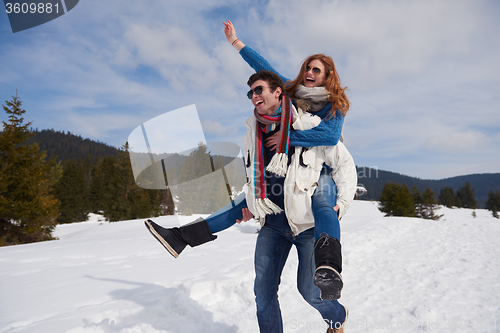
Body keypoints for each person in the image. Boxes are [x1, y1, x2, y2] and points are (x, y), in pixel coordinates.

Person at [146, 70, 357, 332]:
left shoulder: (308, 124)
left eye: (259, 90)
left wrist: (344, 201)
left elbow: (344, 163)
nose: (254, 96)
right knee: (264, 294)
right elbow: (255, 179)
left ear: (277, 92)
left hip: (306, 225)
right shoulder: (252, 133)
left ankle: (338, 317)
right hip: (273, 225)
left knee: (311, 292)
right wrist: (252, 204)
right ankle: (181, 237)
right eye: (250, 93)